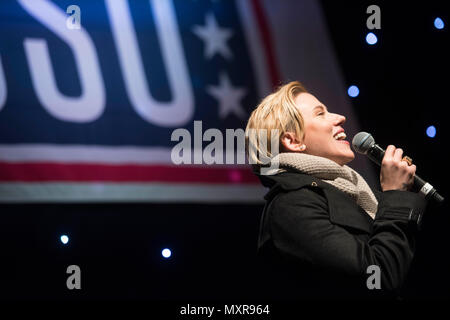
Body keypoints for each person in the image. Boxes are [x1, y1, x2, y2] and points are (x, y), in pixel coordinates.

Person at [245, 81, 428, 300]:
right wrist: (395, 196)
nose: (340, 117)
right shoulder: (291, 206)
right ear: (293, 141)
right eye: (320, 113)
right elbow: (378, 278)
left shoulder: (352, 193)